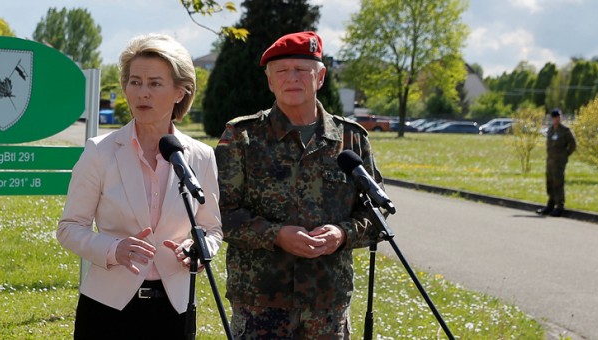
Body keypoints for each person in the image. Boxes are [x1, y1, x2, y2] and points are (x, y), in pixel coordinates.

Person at [215, 31, 385, 339]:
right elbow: (219, 215)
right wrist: (275, 235)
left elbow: (377, 214)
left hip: (327, 302)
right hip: (261, 303)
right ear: (270, 82)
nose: (291, 78)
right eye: (281, 71)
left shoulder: (351, 139)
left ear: (319, 77)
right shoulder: (242, 137)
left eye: (301, 70)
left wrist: (342, 234)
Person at [57, 33, 222, 339]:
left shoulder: (200, 156)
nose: (141, 93)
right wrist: (113, 249)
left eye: (155, 83)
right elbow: (69, 228)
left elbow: (212, 230)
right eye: (135, 82)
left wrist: (196, 250)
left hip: (175, 309)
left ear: (180, 92)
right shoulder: (100, 151)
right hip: (107, 308)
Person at [536, 108, 576, 217]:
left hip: (559, 162)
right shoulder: (550, 130)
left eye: (558, 117)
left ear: (560, 117)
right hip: (550, 161)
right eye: (554, 117)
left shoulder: (565, 131)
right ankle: (550, 204)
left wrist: (565, 155)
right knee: (550, 183)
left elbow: (573, 145)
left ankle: (559, 206)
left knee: (558, 183)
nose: (556, 119)